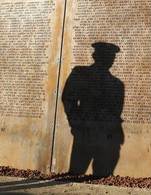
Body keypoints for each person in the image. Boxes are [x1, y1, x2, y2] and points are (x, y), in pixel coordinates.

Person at [62, 42, 124, 177]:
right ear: (95, 56)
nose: (111, 60)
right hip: (84, 132)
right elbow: (68, 98)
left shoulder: (117, 84)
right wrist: (76, 123)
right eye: (107, 56)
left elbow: (116, 111)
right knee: (75, 174)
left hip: (107, 137)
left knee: (102, 176)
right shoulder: (80, 73)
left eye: (112, 57)